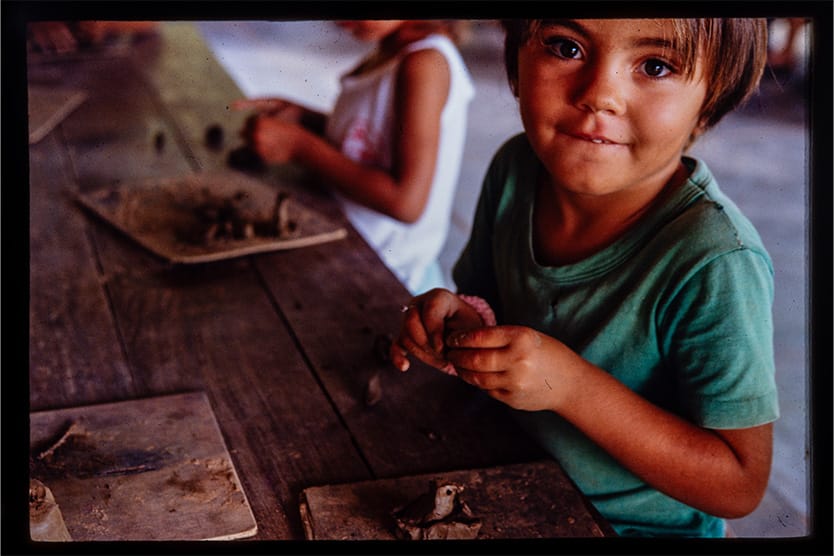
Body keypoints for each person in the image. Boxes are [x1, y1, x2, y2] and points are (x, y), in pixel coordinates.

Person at [391, 18, 779, 538]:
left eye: (656, 66)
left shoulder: (715, 260)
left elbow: (739, 484)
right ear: (516, 60)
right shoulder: (515, 170)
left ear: (710, 102)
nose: (600, 95)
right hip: (506, 479)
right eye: (565, 47)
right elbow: (487, 302)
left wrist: (569, 387)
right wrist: (461, 327)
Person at [235, 20, 475, 294]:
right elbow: (375, 137)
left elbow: (406, 203)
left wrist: (301, 147)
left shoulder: (424, 65)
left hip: (385, 275)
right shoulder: (391, 49)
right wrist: (304, 119)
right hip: (354, 244)